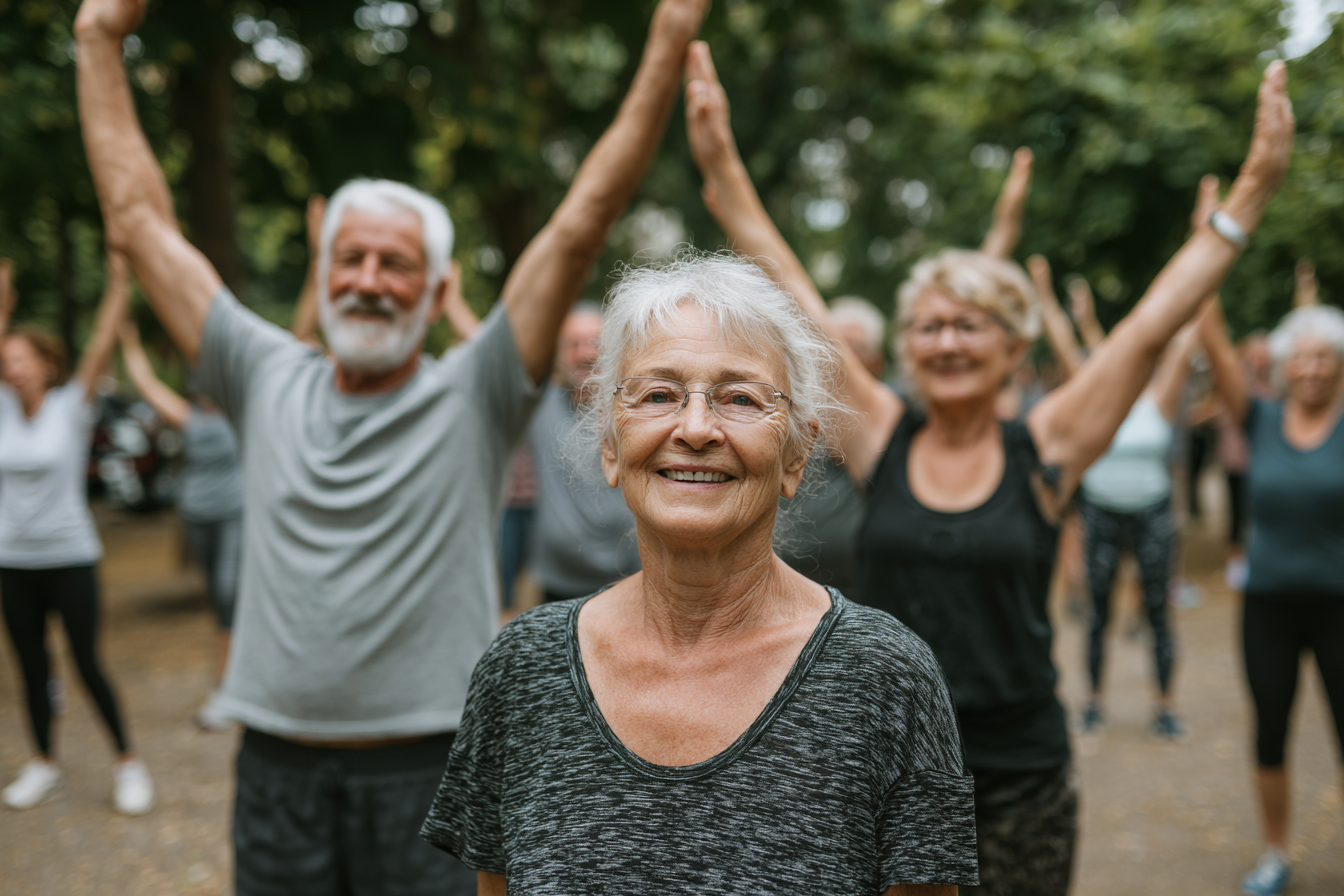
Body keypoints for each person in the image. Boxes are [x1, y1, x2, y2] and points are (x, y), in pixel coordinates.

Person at [75, 0, 708, 892]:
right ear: (322, 272)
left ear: (437, 286)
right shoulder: (262, 373)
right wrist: (98, 41)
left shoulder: (477, 387)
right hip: (277, 772)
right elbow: (140, 222)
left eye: (395, 264)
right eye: (352, 259)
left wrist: (666, 42)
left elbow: (583, 218)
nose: (370, 281)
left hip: (430, 772)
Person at [683, 40, 1294, 895]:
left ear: (1014, 349)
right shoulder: (881, 432)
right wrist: (722, 163)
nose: (947, 340)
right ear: (908, 345)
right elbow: (791, 287)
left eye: (971, 324)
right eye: (930, 325)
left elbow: (1153, 323)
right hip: (880, 765)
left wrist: (1252, 193)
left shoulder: (1047, 443)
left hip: (1017, 772)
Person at [421, 251, 979, 895]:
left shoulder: (887, 679)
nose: (694, 428)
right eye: (658, 394)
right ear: (610, 446)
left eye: (740, 398)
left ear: (797, 454)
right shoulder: (523, 670)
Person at [0, 254, 155, 815]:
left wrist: (117, 282)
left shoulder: (72, 408)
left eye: (22, 358)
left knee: (87, 664)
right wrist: (3, 304)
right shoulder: (0, 411)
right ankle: (44, 763)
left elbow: (98, 346)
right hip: (13, 561)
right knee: (31, 668)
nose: (12, 368)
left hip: (70, 557)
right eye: (5, 360)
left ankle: (128, 762)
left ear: (45, 363)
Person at [1199, 297, 1344, 896]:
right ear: (1283, 366)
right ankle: (1276, 852)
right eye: (1301, 357)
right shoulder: (1257, 419)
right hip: (1268, 605)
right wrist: (1210, 245)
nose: (1310, 368)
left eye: (1324, 357)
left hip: (1340, 603)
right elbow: (1211, 335)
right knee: (1270, 729)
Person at [118, 320, 243, 731]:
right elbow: (147, 384)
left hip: (234, 515)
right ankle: (229, 685)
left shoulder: (241, 413)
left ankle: (227, 689)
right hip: (197, 516)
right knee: (219, 598)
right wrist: (131, 342)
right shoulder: (189, 418)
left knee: (228, 593)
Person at [530, 303, 641, 603]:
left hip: (627, 583)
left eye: (594, 343)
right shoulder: (538, 408)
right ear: (557, 353)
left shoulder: (639, 409)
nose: (584, 353)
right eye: (572, 344)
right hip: (557, 586)